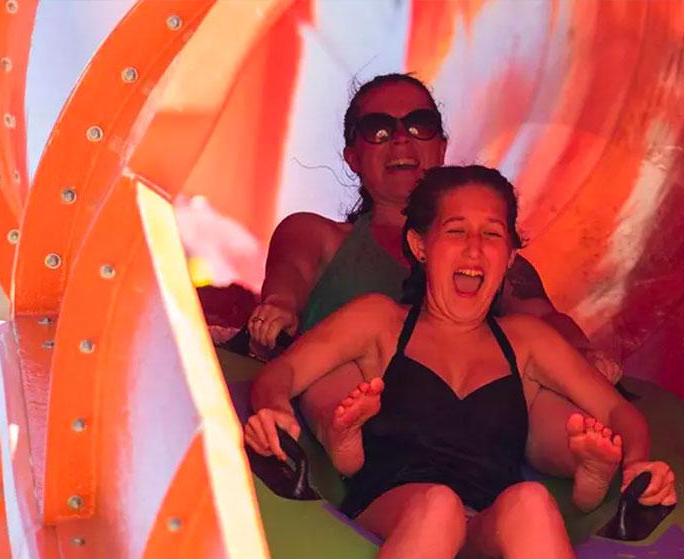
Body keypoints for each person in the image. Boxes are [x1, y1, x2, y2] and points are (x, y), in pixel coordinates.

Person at [244, 166, 676, 559]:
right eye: (456, 231)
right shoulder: (381, 323)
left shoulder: (526, 341)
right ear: (420, 246)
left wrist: (637, 465)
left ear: (510, 256)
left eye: (492, 234)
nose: (474, 249)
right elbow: (281, 373)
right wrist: (276, 410)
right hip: (395, 506)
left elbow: (618, 411)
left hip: (483, 517)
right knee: (438, 507)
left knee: (531, 502)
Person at [245, 73, 618, 477]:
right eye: (379, 129)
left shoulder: (491, 257)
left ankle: (590, 469)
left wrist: (585, 353)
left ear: (441, 146)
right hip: (345, 417)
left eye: (419, 125)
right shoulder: (318, 235)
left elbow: (545, 320)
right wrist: (279, 307)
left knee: (546, 390)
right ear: (352, 156)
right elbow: (288, 281)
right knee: (340, 368)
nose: (401, 140)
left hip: (462, 437)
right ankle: (348, 439)